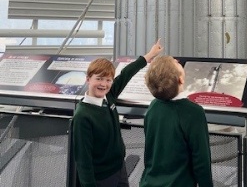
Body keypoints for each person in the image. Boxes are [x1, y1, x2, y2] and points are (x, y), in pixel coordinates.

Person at [72, 39, 164, 187]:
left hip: (119, 168)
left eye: (108, 80)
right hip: (101, 177)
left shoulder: (109, 96)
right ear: (88, 79)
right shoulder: (82, 116)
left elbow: (127, 73)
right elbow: (83, 160)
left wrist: (150, 55)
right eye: (99, 79)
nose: (104, 84)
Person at [139, 56, 214, 187]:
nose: (177, 61)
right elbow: (201, 160)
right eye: (176, 63)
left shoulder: (153, 106)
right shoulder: (193, 112)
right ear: (180, 79)